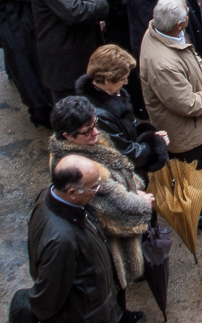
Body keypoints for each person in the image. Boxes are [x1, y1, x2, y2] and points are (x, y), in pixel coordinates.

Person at [46, 96, 153, 318]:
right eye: (87, 130)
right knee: (112, 283)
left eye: (95, 124)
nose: (95, 132)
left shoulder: (84, 144)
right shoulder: (82, 169)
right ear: (67, 135)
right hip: (105, 238)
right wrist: (141, 202)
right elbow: (115, 208)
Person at [139, 0, 202, 228]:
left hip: (188, 126)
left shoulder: (165, 33)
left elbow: (196, 61)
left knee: (198, 160)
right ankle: (189, 213)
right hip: (180, 127)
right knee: (186, 171)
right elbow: (186, 104)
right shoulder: (162, 63)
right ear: (179, 24)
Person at [26, 155, 122, 323]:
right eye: (93, 187)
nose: (98, 190)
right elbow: (47, 297)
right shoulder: (62, 240)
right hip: (86, 315)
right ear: (72, 193)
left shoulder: (50, 194)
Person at [75, 44, 169, 176]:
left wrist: (151, 135)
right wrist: (155, 145)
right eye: (122, 79)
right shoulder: (99, 116)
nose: (126, 83)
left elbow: (128, 125)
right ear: (107, 81)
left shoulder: (111, 94)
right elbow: (125, 152)